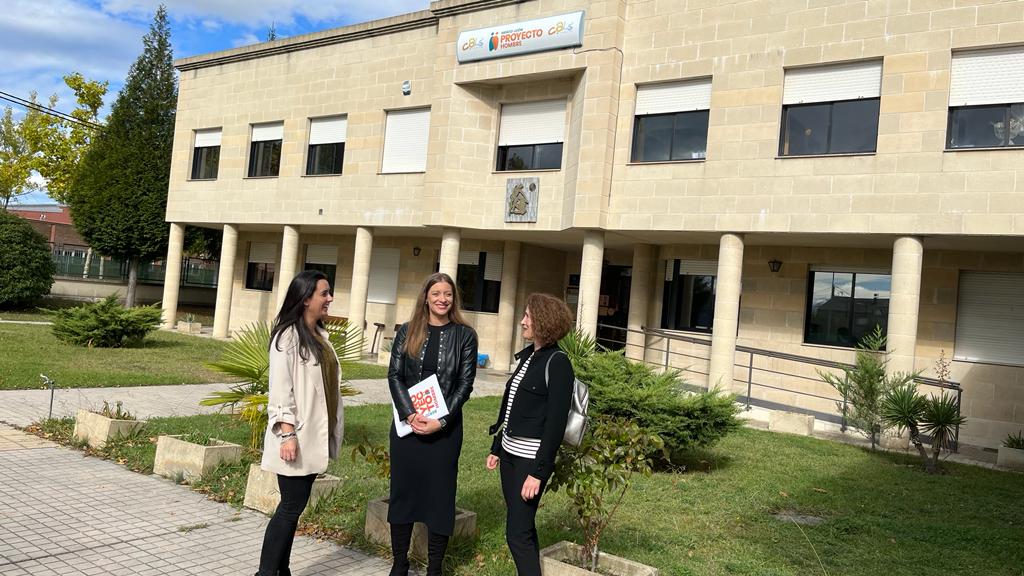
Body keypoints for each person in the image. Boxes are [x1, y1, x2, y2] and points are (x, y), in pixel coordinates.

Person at [387, 272, 478, 575]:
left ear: (454, 298)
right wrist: (410, 413)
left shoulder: (465, 335)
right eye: (436, 293)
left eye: (448, 294)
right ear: (425, 296)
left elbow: (465, 384)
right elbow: (395, 375)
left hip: (444, 432)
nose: (442, 299)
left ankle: (435, 567)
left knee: (440, 500)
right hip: (408, 429)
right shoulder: (407, 330)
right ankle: (400, 563)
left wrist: (440, 421)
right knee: (403, 496)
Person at [255, 270, 344, 576]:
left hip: (312, 436)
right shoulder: (287, 337)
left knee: (293, 509)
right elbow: (281, 390)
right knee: (290, 507)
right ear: (306, 299)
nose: (329, 298)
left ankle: (282, 570)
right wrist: (286, 435)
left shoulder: (318, 334)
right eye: (324, 293)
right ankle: (266, 573)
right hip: (296, 437)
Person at [486, 293, 575, 576]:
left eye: (527, 317)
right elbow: (511, 408)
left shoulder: (558, 363)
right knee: (523, 528)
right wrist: (497, 447)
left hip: (529, 463)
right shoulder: (527, 357)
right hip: (510, 457)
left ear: (543, 322)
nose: (522, 321)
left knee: (516, 534)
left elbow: (555, 424)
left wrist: (538, 472)